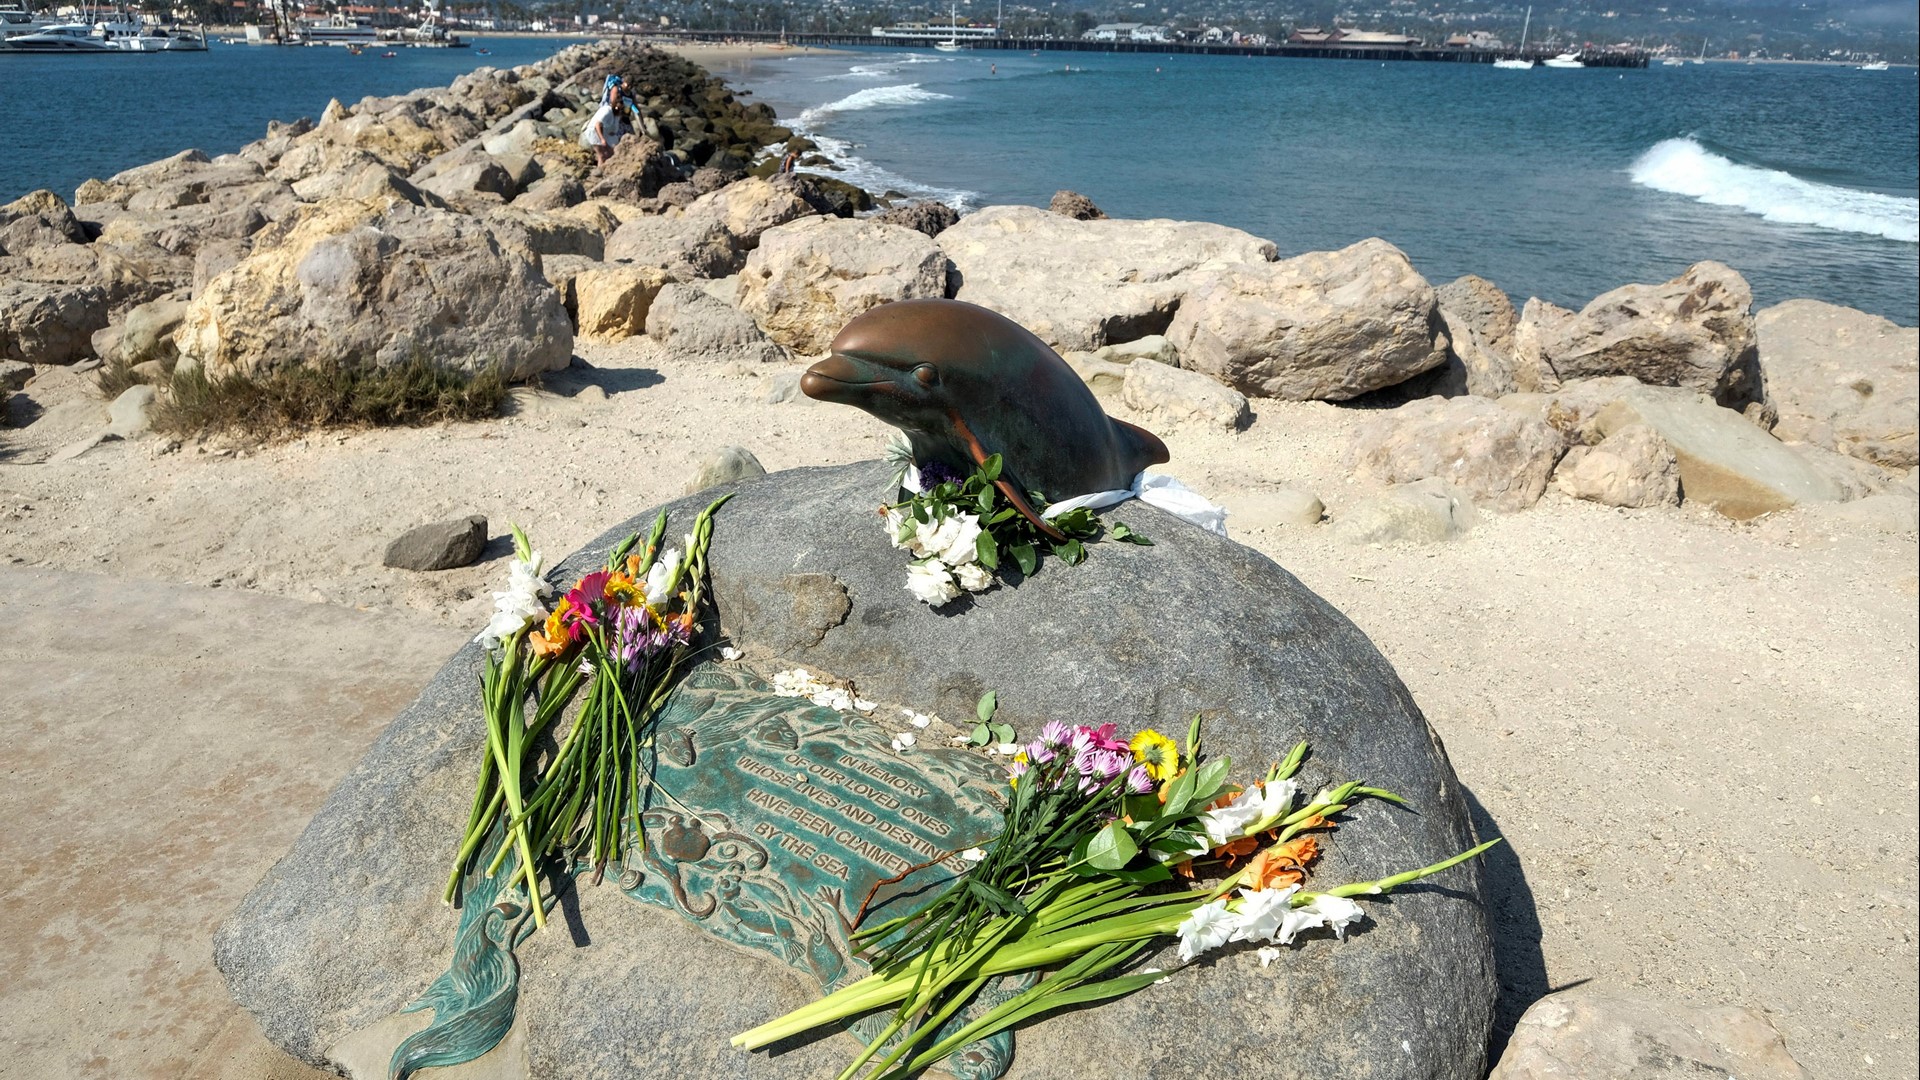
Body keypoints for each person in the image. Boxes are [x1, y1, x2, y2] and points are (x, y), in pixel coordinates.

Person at [580, 74, 630, 168]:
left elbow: (613, 130)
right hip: (594, 132)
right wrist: (602, 139)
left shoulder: (617, 115)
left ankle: (607, 171)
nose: (622, 108)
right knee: (602, 156)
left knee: (612, 154)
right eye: (620, 106)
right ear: (616, 105)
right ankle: (600, 174)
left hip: (605, 132)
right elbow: (597, 124)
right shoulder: (607, 110)